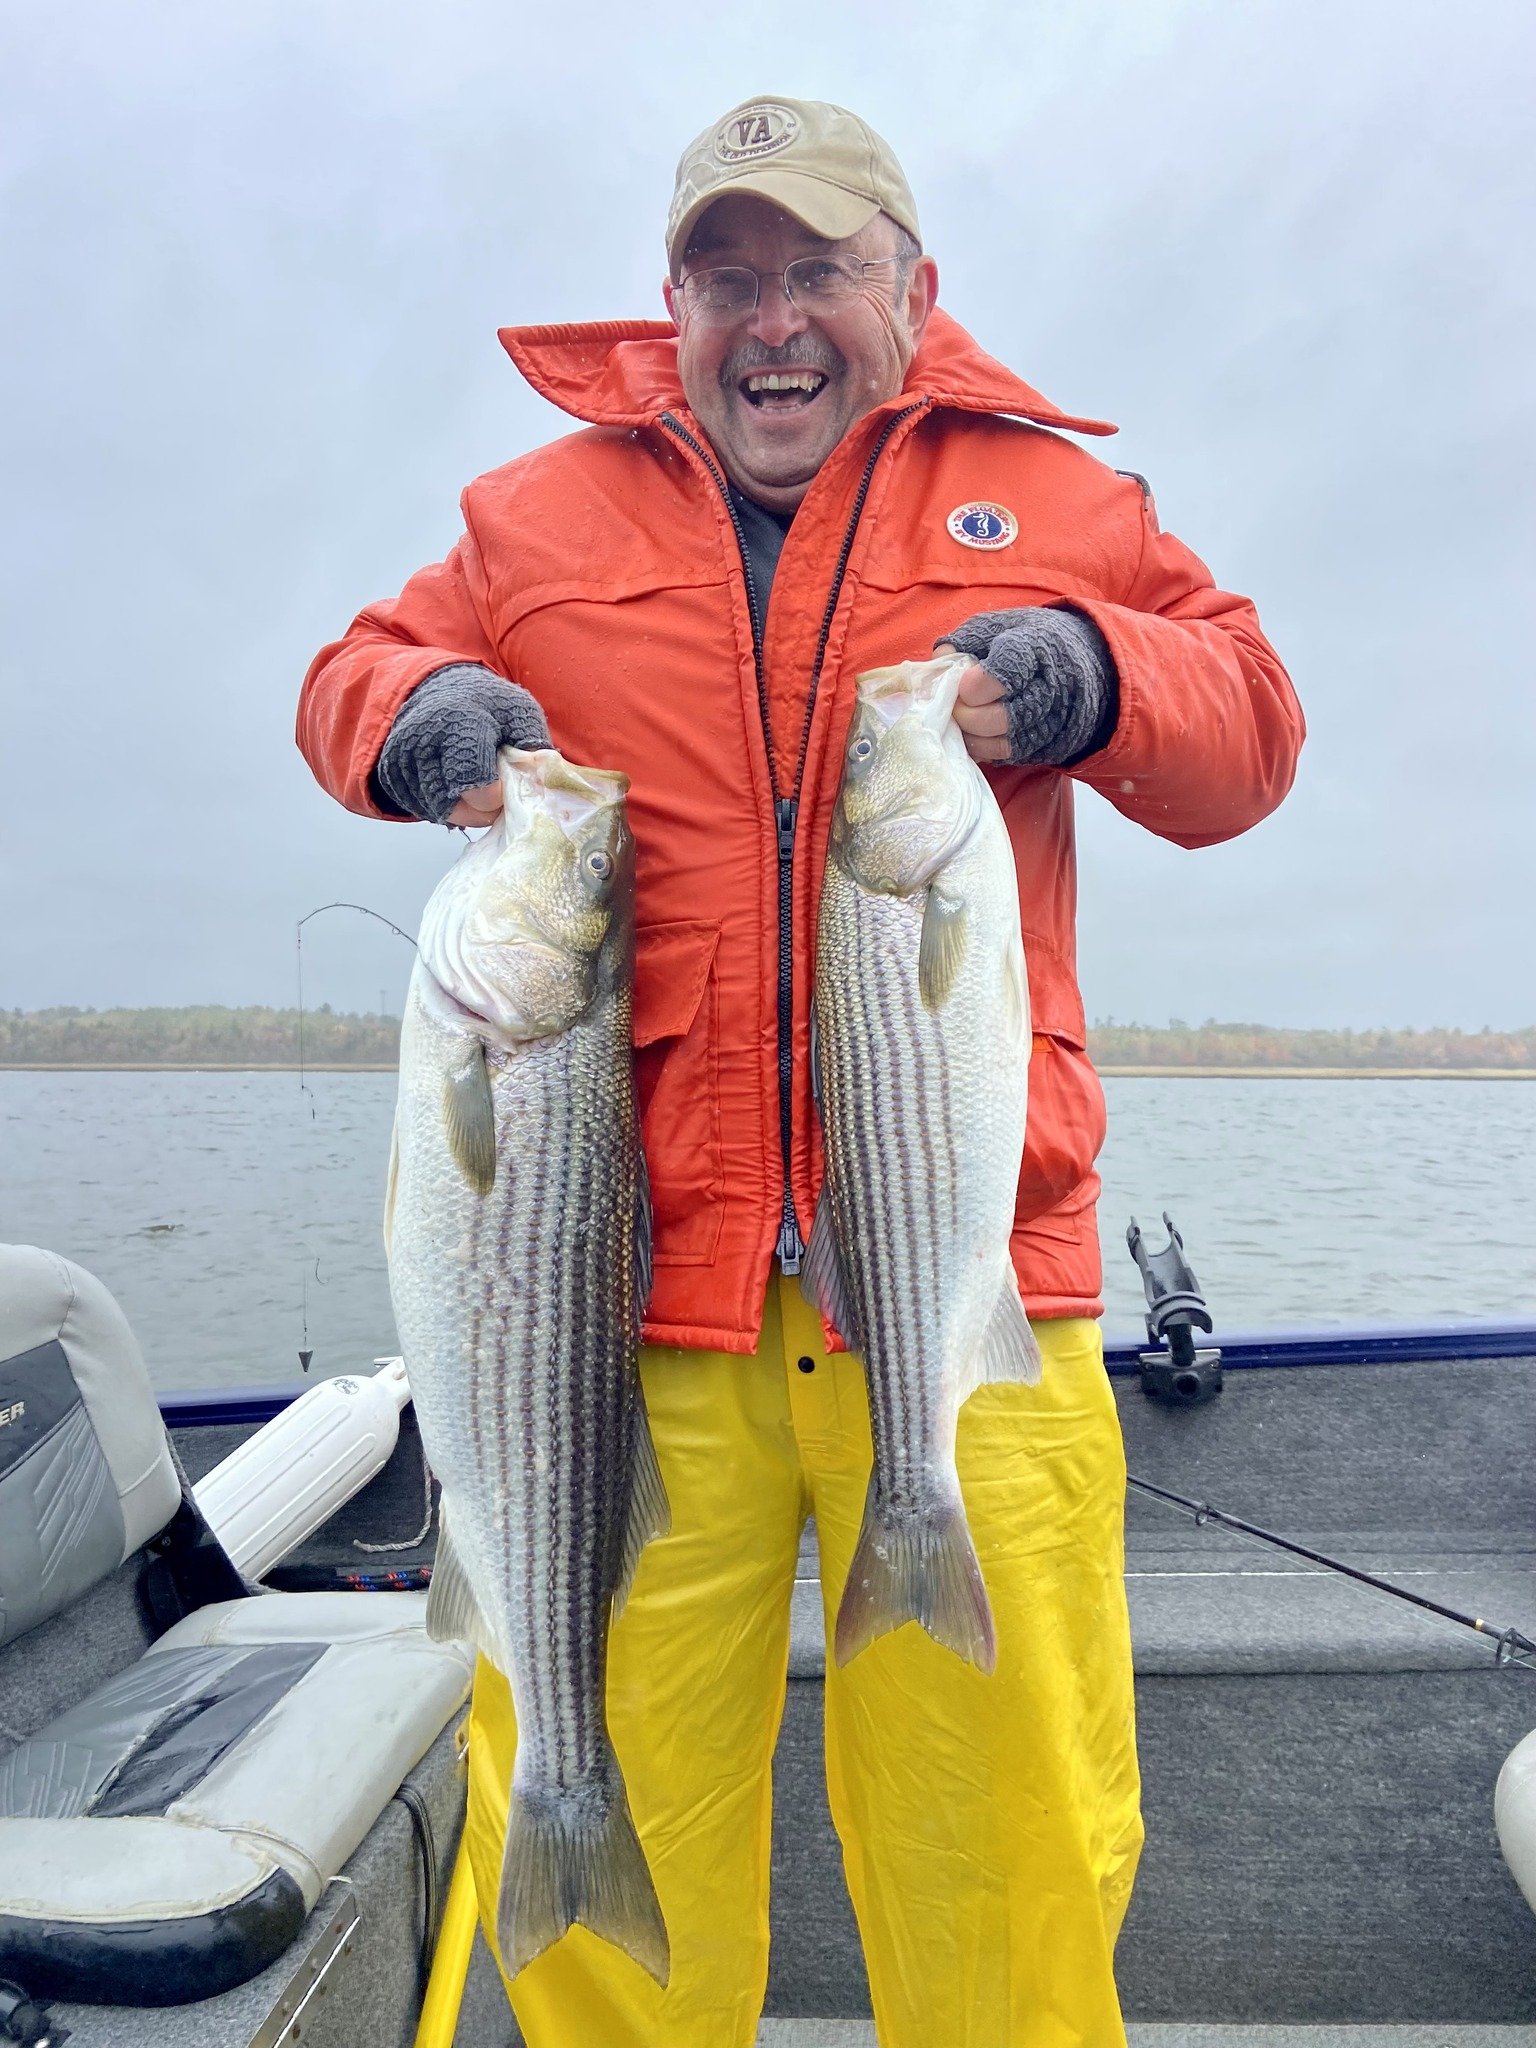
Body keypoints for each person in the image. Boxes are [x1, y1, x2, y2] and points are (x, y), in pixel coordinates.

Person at [298, 95, 1303, 2048]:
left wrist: (1103, 669)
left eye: (818, 269)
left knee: (1009, 1853)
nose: (774, 321)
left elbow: (1249, 722)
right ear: (672, 306)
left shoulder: (1056, 498)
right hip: (611, 1317)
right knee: (594, 1875)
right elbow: (350, 673)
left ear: (909, 290)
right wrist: (419, 714)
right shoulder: (535, 517)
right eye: (727, 275)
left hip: (973, 1288)